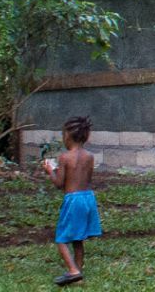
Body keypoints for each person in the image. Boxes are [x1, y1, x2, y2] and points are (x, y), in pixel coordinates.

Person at [43, 117, 101, 286]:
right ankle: (79, 272)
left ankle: (73, 271)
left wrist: (50, 171)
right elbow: (86, 179)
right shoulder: (89, 156)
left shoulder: (65, 157)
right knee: (78, 238)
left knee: (61, 239)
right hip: (88, 198)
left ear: (67, 136)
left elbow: (59, 184)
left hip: (73, 200)